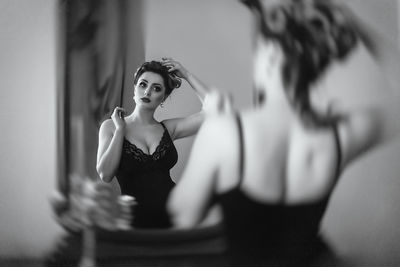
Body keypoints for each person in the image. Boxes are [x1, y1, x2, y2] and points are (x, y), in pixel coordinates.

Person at [168, 0, 400, 265]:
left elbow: (185, 213)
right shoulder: (340, 135)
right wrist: (355, 27)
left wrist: (212, 123)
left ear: (270, 55)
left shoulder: (224, 132)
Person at [96, 58, 218, 228]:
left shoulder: (169, 128)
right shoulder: (111, 126)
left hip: (176, 219)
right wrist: (120, 131)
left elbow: (215, 111)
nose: (147, 92)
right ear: (134, 88)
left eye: (156, 88)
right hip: (135, 225)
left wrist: (186, 74)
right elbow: (105, 174)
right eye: (143, 84)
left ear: (164, 97)